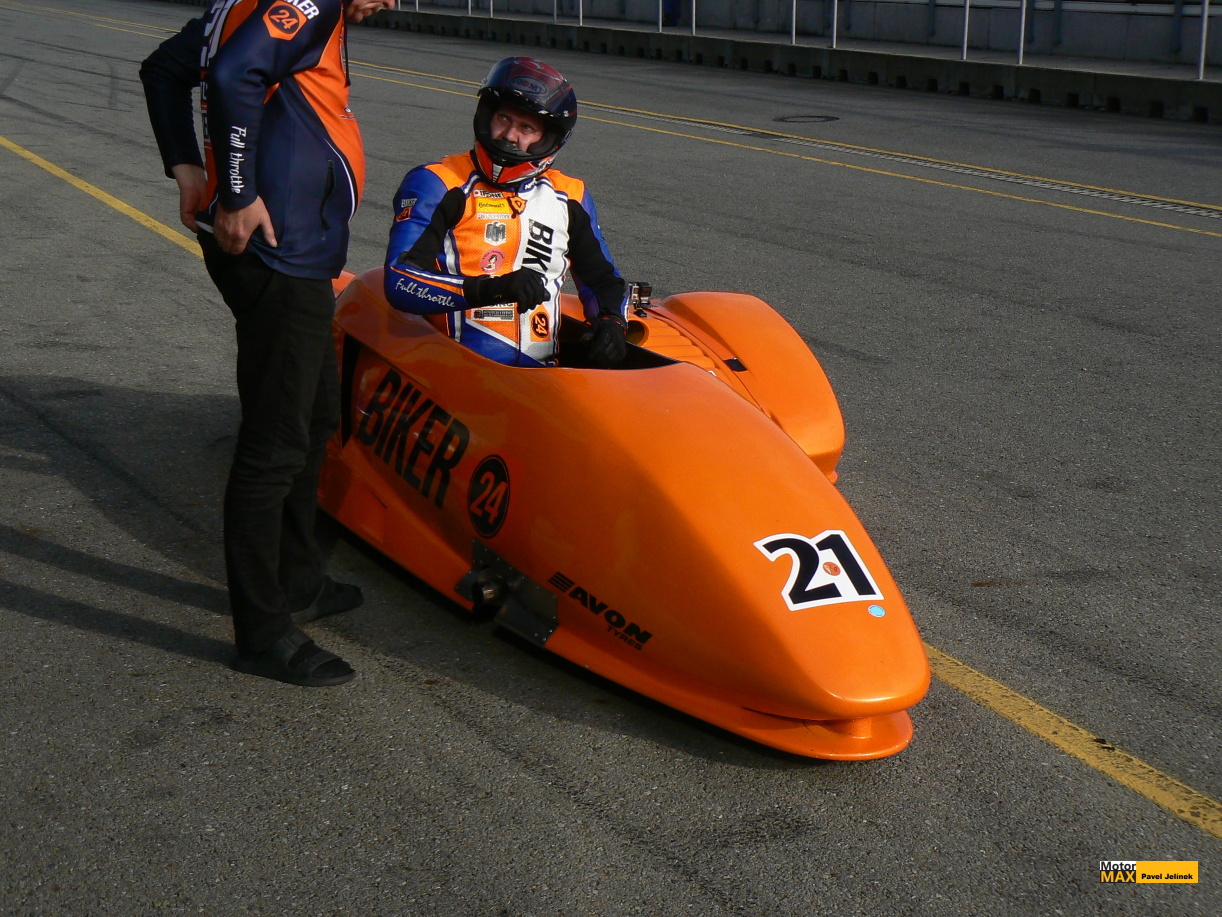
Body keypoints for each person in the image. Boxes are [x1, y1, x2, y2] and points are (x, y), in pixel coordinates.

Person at [140, 0, 393, 687]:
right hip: (276, 254)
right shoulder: (308, 1)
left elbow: (164, 69)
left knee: (314, 418)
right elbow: (232, 74)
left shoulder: (254, 2)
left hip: (293, 256)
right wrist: (236, 192)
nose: (394, 3)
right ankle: (261, 631)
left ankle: (298, 579)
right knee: (276, 442)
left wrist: (186, 165)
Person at [384, 57, 629, 368]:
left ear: (548, 138)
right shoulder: (438, 182)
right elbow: (400, 282)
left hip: (541, 378)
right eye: (503, 118)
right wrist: (492, 289)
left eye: (526, 127)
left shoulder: (571, 196)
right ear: (486, 116)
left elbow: (603, 280)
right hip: (450, 369)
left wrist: (611, 322)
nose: (510, 135)